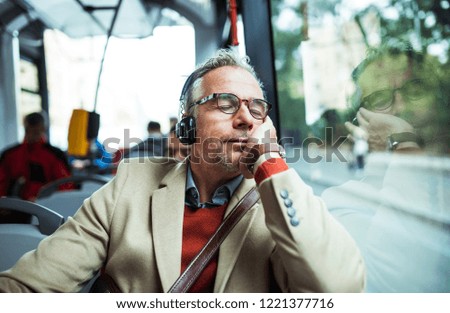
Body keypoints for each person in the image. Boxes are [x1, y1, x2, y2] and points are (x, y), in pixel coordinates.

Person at [0, 49, 364, 292]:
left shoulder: (280, 200)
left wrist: (270, 162)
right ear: (187, 127)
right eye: (225, 103)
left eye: (257, 108)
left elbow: (339, 289)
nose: (245, 118)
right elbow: (27, 288)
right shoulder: (129, 185)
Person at [323, 42, 450, 292]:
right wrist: (404, 142)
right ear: (362, 119)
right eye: (380, 98)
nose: (400, 107)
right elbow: (402, 283)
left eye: (415, 88)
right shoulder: (341, 202)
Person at [0, 112, 72, 202]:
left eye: (35, 132)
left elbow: (66, 186)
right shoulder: (9, 155)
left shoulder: (55, 155)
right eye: (29, 131)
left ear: (43, 129)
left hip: (47, 207)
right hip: (15, 208)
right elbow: (1, 184)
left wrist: (44, 200)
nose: (32, 136)